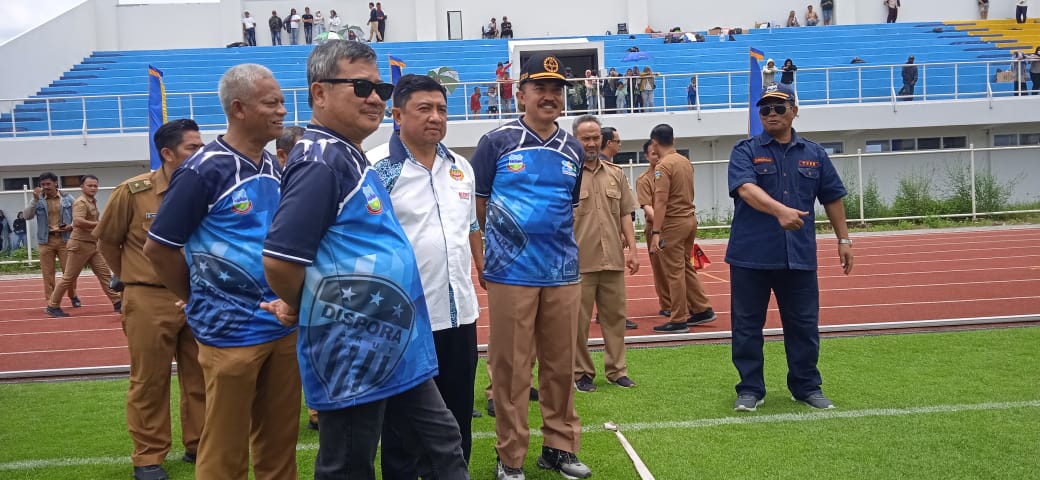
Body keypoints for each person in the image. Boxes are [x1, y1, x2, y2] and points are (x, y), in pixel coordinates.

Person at [261, 41, 467, 480]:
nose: (375, 97)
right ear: (319, 93)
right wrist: (312, 306)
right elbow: (280, 261)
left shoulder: (346, 154)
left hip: (393, 341)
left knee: (443, 441)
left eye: (380, 86)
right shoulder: (320, 161)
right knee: (350, 463)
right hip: (356, 346)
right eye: (360, 86)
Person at [143, 64, 301, 480]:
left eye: (282, 101)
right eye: (272, 102)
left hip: (282, 328)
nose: (282, 110)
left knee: (280, 448)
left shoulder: (272, 164)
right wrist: (196, 298)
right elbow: (158, 248)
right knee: (224, 452)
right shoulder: (203, 169)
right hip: (230, 334)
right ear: (239, 108)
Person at [471, 52, 592, 480]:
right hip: (511, 274)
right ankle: (510, 456)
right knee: (511, 367)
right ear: (520, 93)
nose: (549, 96)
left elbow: (570, 208)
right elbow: (480, 202)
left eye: (557, 89)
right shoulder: (497, 142)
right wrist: (498, 246)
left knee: (561, 365)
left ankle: (559, 447)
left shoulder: (573, 147)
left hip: (562, 273)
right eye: (539, 88)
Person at [371, 72, 484, 479]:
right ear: (397, 115)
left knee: (457, 419)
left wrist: (481, 262)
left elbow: (470, 225)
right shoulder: (376, 169)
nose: (435, 117)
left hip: (459, 317)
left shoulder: (462, 169)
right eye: (424, 108)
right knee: (403, 428)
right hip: (405, 321)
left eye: (441, 109)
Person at [727, 82, 853, 412]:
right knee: (746, 327)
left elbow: (832, 197)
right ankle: (750, 389)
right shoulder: (745, 150)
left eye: (779, 108)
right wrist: (779, 211)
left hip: (797, 255)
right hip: (751, 255)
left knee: (803, 326)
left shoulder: (814, 154)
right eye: (765, 108)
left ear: (794, 112)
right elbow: (745, 189)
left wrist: (844, 239)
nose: (771, 114)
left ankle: (806, 386)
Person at [94, 118, 207, 480]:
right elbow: (108, 241)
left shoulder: (206, 188)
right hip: (148, 298)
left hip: (196, 297)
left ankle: (199, 443)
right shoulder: (133, 191)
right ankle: (148, 456)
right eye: (193, 147)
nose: (200, 153)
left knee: (202, 377)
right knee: (149, 381)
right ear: (167, 153)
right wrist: (128, 279)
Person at [571, 116, 639, 394]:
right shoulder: (567, 174)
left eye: (595, 137)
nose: (591, 143)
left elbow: (625, 213)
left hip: (612, 258)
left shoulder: (615, 173)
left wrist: (633, 250)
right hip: (579, 263)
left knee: (615, 319)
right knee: (578, 324)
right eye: (585, 138)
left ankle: (617, 371)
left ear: (602, 139)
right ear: (575, 138)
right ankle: (582, 373)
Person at [647, 124, 716, 334]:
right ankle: (702, 308)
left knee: (674, 272)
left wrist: (656, 233)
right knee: (685, 267)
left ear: (655, 143)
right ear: (673, 140)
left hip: (674, 224)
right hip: (689, 220)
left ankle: (678, 318)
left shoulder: (663, 166)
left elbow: (660, 202)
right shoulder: (685, 161)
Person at [45, 175, 122, 317]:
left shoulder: (91, 202)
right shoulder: (80, 202)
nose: (93, 188)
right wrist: (101, 224)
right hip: (79, 246)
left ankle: (117, 302)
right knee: (69, 278)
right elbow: (78, 221)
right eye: (90, 185)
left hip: (92, 245)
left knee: (105, 275)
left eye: (95, 186)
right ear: (82, 187)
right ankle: (52, 305)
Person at [22, 172, 79, 309]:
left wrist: (71, 226)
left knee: (69, 272)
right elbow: (27, 216)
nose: (45, 187)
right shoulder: (38, 199)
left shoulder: (67, 198)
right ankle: (51, 301)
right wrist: (34, 200)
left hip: (64, 239)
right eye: (42, 184)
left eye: (48, 184)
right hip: (45, 240)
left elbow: (78, 216)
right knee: (48, 274)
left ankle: (73, 295)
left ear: (55, 183)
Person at [636, 140, 671, 317]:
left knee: (680, 267)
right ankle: (667, 304)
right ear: (647, 156)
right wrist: (661, 223)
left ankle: (686, 303)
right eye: (653, 154)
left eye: (658, 153)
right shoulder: (644, 180)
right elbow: (648, 208)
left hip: (675, 227)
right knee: (661, 269)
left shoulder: (671, 172)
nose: (656, 157)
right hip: (656, 228)